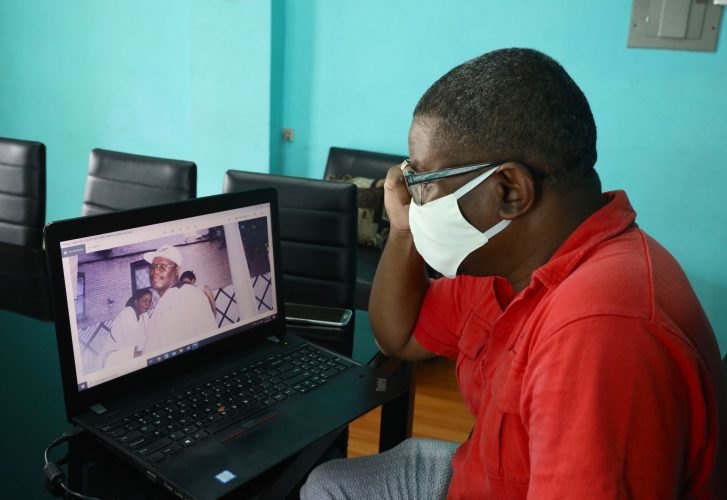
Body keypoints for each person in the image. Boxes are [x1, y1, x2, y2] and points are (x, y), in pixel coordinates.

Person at [301, 48, 726, 499]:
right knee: (329, 485)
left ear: (509, 191)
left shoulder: (599, 332)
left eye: (423, 182)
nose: (414, 196)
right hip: (487, 471)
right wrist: (404, 231)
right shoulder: (507, 265)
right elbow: (398, 336)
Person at [141, 244, 217, 354]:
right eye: (152, 267)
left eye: (163, 266)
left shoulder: (189, 295)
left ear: (177, 270)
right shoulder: (163, 301)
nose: (155, 271)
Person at [102, 288, 152, 368]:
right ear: (136, 302)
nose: (148, 304)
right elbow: (131, 347)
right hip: (111, 357)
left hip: (129, 354)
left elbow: (150, 335)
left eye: (149, 301)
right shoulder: (126, 314)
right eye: (144, 301)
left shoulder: (144, 315)